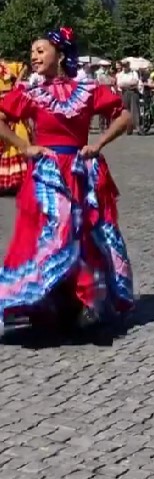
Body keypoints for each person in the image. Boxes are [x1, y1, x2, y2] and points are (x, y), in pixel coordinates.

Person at [0, 27, 134, 333]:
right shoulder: (29, 93)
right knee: (49, 233)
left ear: (60, 55)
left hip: (81, 169)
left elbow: (124, 116)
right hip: (48, 172)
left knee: (86, 234)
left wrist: (99, 143)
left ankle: (87, 302)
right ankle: (39, 301)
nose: (34, 57)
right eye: (32, 51)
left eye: (41, 50)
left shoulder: (86, 90)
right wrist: (25, 146)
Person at [0, 60, 30, 194]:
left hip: (9, 103)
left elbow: (24, 66)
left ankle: (15, 181)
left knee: (14, 141)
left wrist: (17, 83)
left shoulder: (7, 66)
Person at [115, 60, 140, 135]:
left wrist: (127, 84)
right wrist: (129, 83)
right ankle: (128, 128)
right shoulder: (120, 74)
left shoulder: (133, 73)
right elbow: (120, 84)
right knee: (126, 111)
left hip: (133, 92)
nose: (125, 67)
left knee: (135, 110)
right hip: (125, 92)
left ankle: (137, 127)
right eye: (124, 66)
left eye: (126, 65)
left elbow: (135, 81)